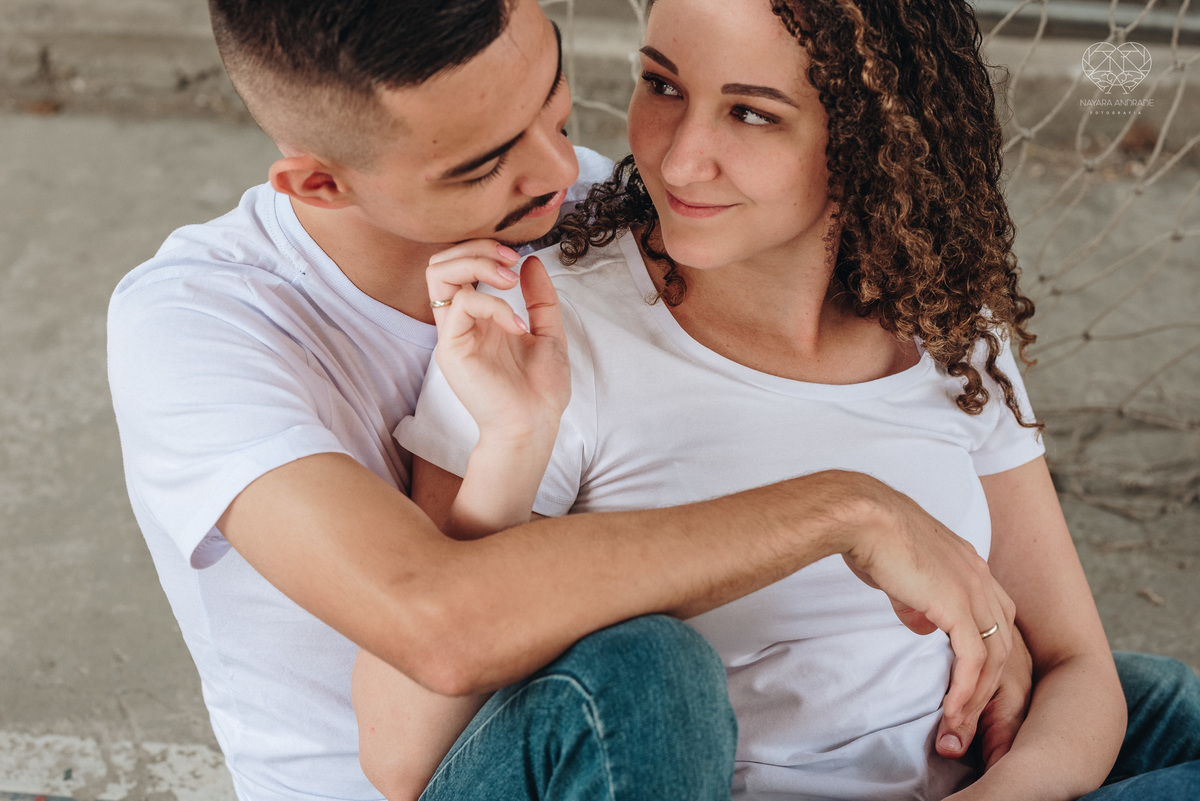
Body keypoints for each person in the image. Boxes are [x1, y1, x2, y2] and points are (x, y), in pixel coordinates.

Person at [106, 1, 1024, 800]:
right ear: (322, 183)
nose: (559, 168)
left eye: (551, 93)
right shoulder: (198, 327)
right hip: (440, 770)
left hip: (675, 751)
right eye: (483, 163)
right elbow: (438, 619)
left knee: (1150, 706)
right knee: (645, 673)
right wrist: (849, 511)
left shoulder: (587, 205)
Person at [363, 0, 1200, 798]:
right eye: (662, 85)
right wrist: (513, 438)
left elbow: (1075, 663)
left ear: (873, 137)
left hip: (944, 779)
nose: (681, 158)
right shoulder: (545, 324)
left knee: (1161, 702)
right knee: (652, 666)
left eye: (752, 114)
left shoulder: (947, 324)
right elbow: (406, 762)